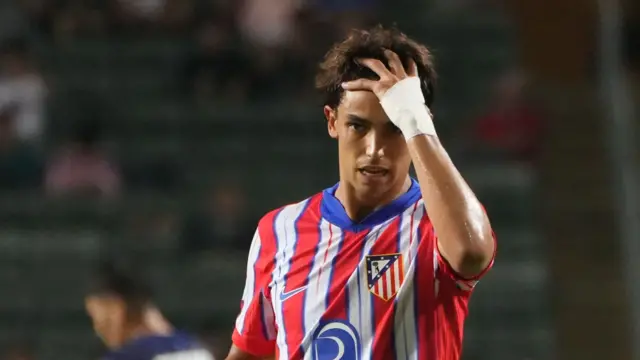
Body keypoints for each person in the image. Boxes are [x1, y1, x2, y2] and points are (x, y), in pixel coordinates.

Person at [226, 25, 497, 360]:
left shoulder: (436, 224)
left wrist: (413, 118)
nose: (374, 150)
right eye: (358, 126)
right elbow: (251, 352)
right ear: (332, 121)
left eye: (395, 128)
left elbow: (472, 252)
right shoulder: (279, 230)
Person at [85, 260, 215, 360]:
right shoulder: (199, 350)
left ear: (116, 309)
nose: (97, 330)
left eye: (96, 318)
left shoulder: (127, 357)